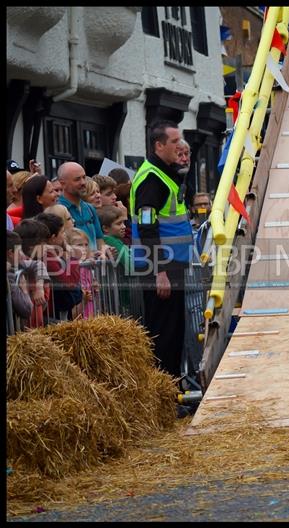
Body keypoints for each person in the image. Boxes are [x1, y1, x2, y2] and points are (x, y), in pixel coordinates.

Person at [130, 120, 193, 380]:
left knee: (174, 331)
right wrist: (160, 271)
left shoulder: (165, 173)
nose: (180, 146)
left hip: (170, 266)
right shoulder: (152, 179)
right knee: (163, 334)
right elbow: (147, 227)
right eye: (174, 141)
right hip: (161, 269)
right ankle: (166, 391)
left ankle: (174, 389)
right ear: (159, 145)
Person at [56, 161, 111, 256]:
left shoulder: (90, 208)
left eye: (84, 177)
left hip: (93, 268)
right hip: (73, 268)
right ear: (63, 184)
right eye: (77, 179)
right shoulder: (58, 210)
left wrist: (103, 251)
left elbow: (99, 240)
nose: (83, 182)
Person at [36, 212, 81, 320]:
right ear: (52, 238)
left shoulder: (52, 254)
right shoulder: (47, 257)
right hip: (54, 313)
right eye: (62, 232)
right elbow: (70, 282)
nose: (64, 235)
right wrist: (72, 257)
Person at [64, 227, 96, 319]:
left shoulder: (87, 266)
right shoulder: (70, 266)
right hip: (77, 310)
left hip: (89, 310)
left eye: (86, 245)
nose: (84, 248)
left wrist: (94, 286)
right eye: (79, 245)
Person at [6, 230, 34, 323]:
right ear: (10, 253)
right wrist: (24, 291)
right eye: (19, 250)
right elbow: (26, 309)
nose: (22, 255)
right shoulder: (9, 277)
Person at [98, 205, 131, 275]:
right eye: (119, 224)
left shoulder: (114, 240)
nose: (124, 226)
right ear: (105, 228)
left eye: (123, 223)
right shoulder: (111, 241)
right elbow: (130, 266)